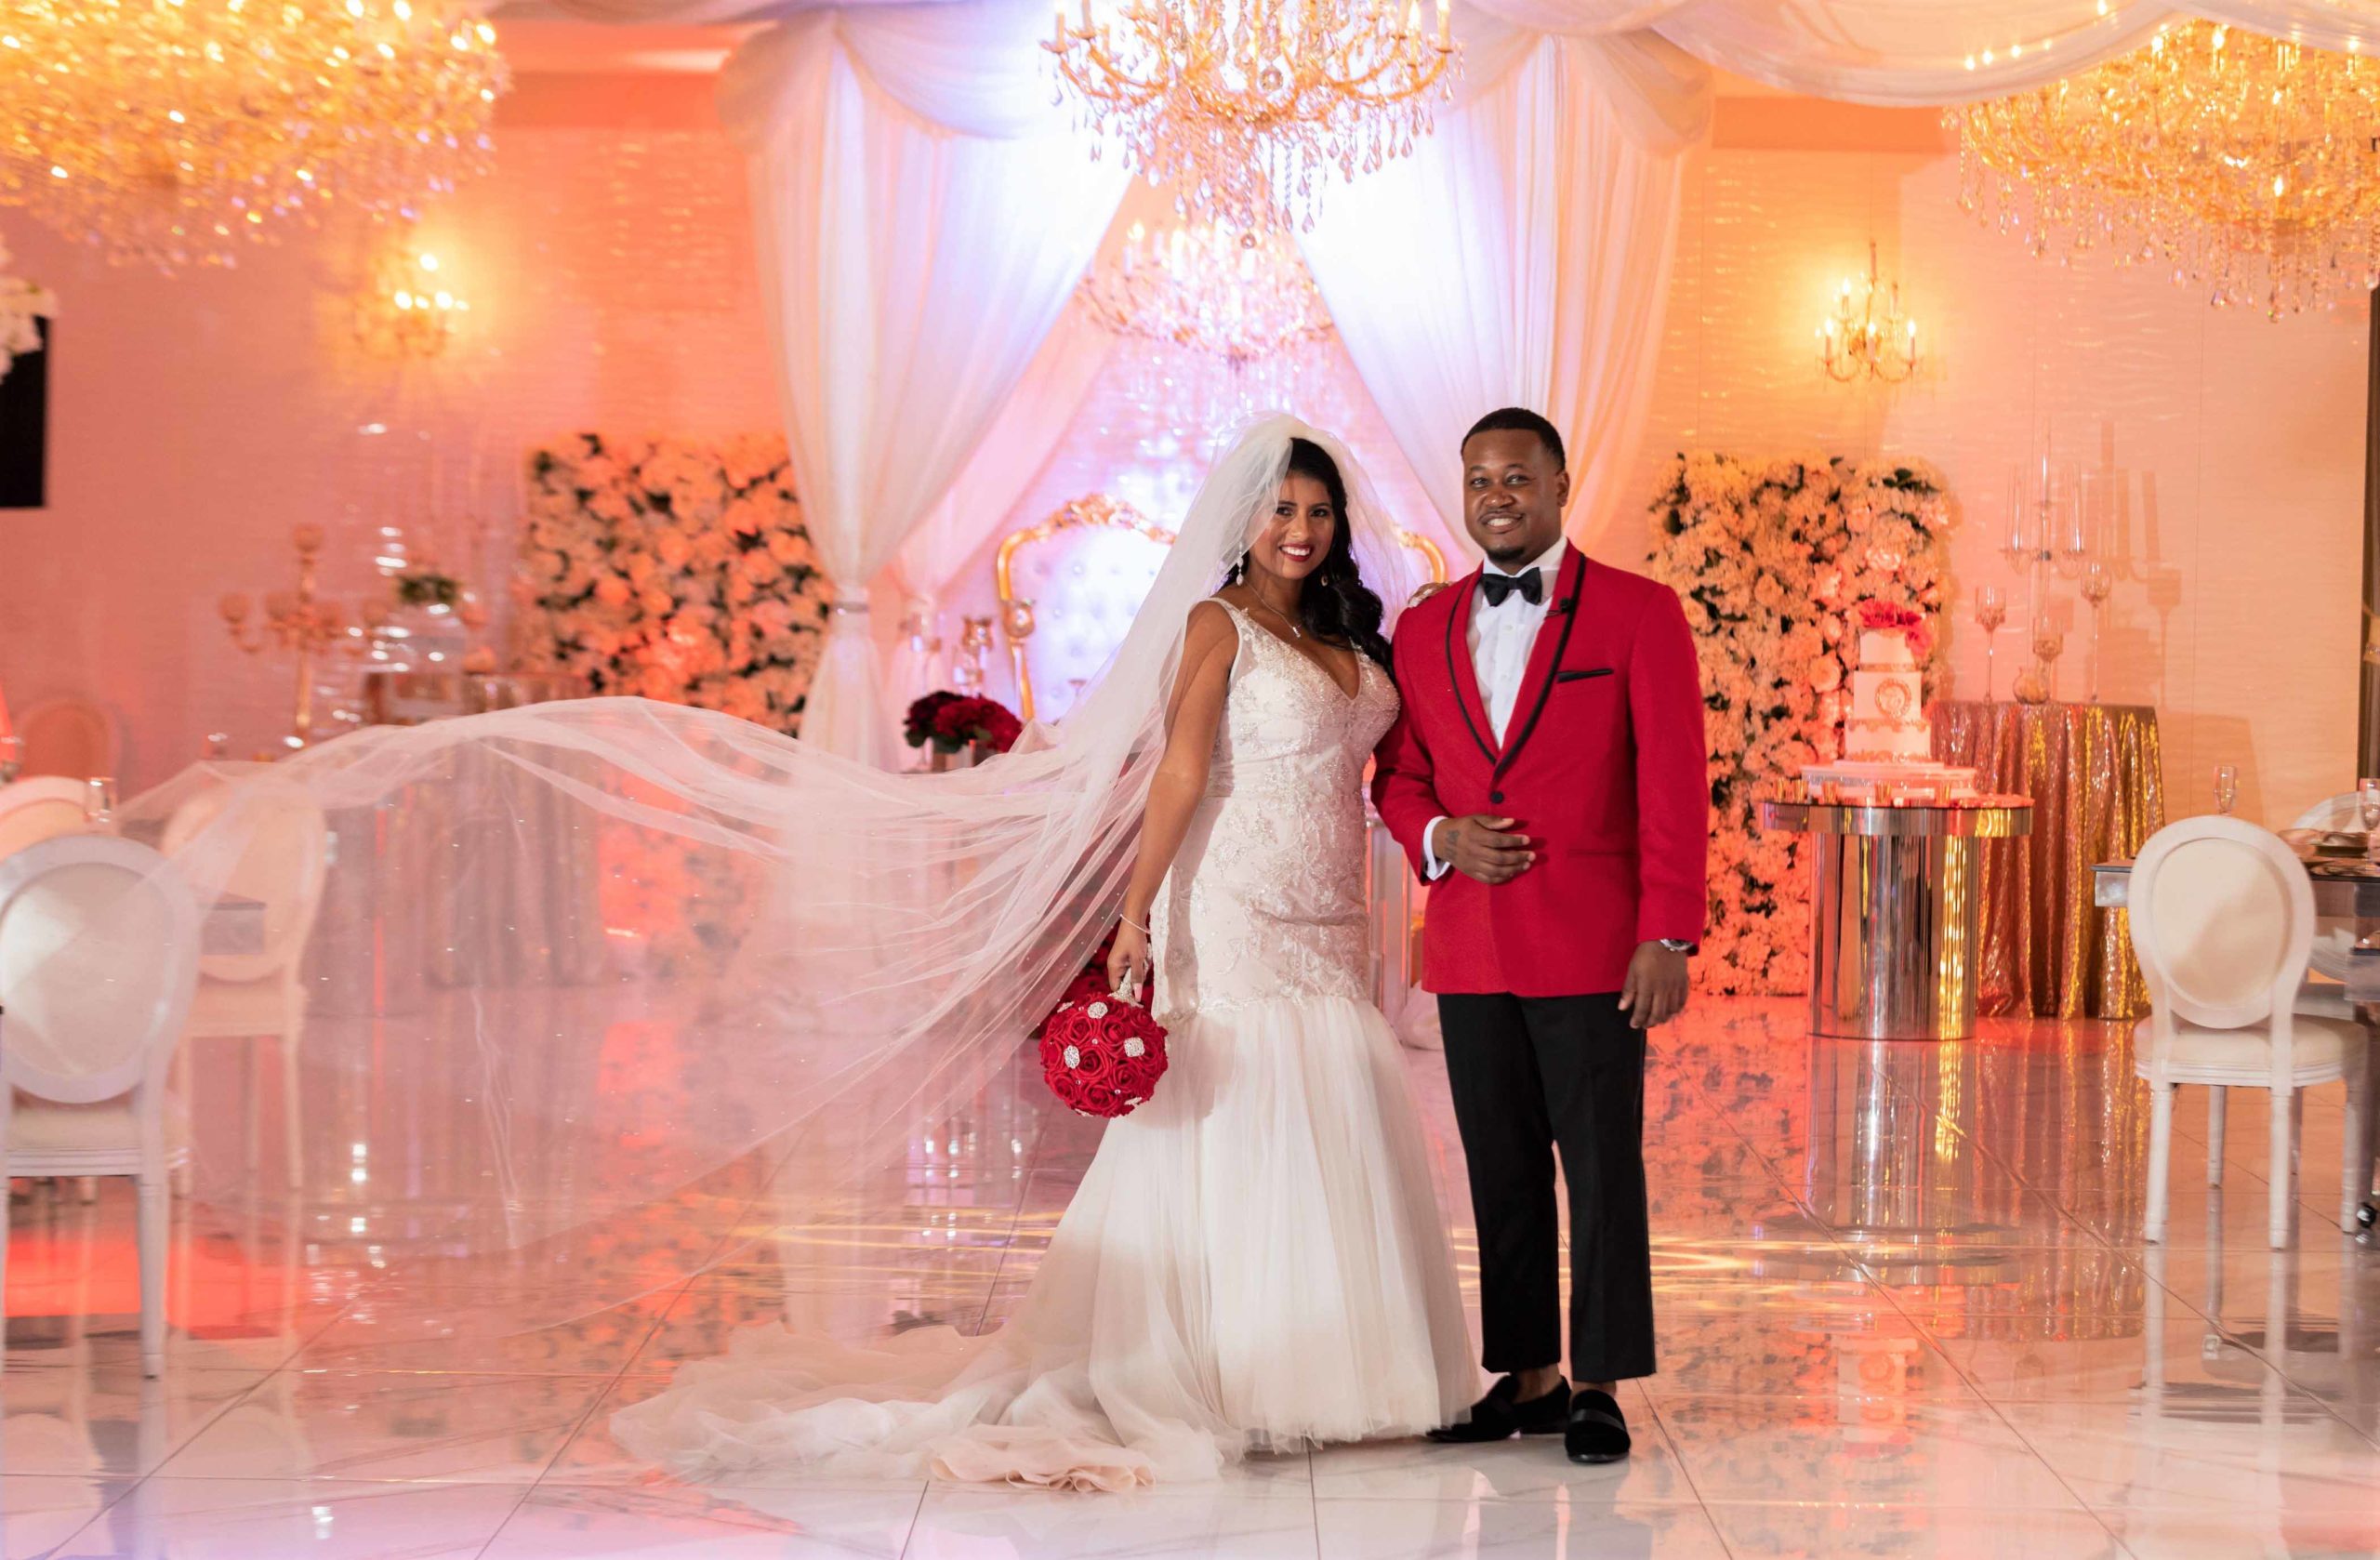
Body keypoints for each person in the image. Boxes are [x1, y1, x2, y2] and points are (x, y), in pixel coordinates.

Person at [609, 420, 1474, 1489]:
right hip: (1237, 902)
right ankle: (1237, 1367)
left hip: (1331, 913)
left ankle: (1341, 1365)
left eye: (1317, 510)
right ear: (1242, 519)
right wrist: (1136, 914)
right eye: (1280, 508)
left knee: (1331, 1102)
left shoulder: (1356, 639)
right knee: (1241, 1111)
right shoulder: (1218, 623)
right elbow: (1178, 775)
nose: (1298, 529)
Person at [1371, 406, 1709, 1465]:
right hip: (1472, 942)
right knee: (1499, 1166)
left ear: (1560, 486)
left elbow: (1673, 783)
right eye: (1477, 480)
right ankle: (1526, 1377)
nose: (1495, 497)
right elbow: (1400, 772)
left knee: (1601, 1163)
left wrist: (1670, 933)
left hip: (1597, 944)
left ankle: (1599, 1381)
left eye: (1516, 477)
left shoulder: (1638, 614)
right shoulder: (1421, 628)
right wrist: (1436, 835)